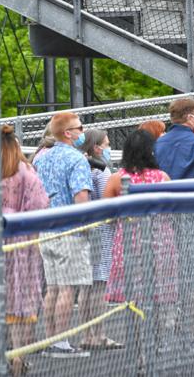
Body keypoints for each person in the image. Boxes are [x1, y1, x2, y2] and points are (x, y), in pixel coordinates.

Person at [33, 112, 94, 358]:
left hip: (46, 229)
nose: (83, 131)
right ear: (68, 133)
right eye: (80, 127)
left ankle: (51, 339)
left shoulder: (41, 159)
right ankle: (62, 342)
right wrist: (88, 225)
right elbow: (81, 199)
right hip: (70, 231)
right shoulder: (77, 160)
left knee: (54, 288)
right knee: (68, 288)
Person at [0, 125, 49, 375]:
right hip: (22, 243)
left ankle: (6, 353)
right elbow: (40, 204)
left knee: (1, 299)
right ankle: (18, 357)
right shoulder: (25, 171)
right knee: (21, 300)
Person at [103, 130, 173, 304]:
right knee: (157, 288)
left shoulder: (116, 179)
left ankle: (132, 328)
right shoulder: (162, 177)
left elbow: (106, 213)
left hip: (127, 240)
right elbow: (171, 208)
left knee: (130, 293)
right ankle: (156, 327)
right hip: (159, 237)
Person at [77, 129, 123, 351]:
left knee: (88, 285)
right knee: (98, 284)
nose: (108, 147)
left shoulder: (85, 168)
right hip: (102, 233)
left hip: (89, 231)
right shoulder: (102, 172)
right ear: (96, 147)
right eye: (106, 143)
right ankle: (99, 333)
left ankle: (88, 333)